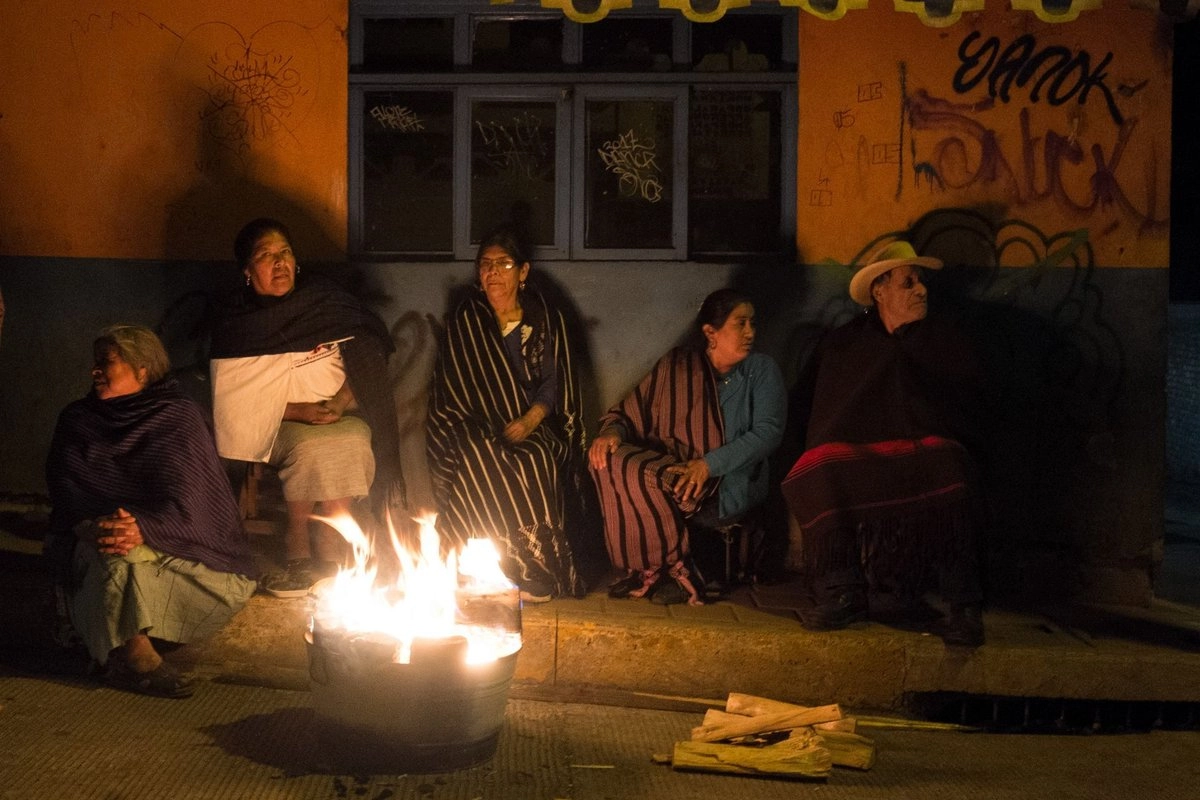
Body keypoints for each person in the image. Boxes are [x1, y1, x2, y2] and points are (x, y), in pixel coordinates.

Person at [781, 240, 987, 646]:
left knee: (949, 467)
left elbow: (968, 405)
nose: (921, 290)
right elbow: (822, 409)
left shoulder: (942, 340)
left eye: (921, 282)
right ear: (880, 290)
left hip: (924, 452)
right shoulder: (845, 343)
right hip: (864, 456)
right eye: (908, 282)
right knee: (818, 467)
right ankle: (841, 593)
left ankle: (964, 604)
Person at [44, 325, 256, 698]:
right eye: (95, 362)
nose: (95, 371)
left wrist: (142, 526)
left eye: (106, 362)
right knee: (114, 551)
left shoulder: (177, 417)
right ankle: (137, 654)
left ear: (142, 370)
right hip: (95, 533)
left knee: (125, 552)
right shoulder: (77, 419)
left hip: (167, 539)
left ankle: (121, 653)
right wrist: (88, 526)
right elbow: (66, 487)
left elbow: (194, 500)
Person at [209, 218, 404, 598]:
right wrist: (299, 412)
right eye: (266, 256)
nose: (279, 263)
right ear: (248, 271)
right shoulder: (238, 324)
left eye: (286, 253)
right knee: (311, 447)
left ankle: (328, 540)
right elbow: (232, 396)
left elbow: (368, 355)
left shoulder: (326, 303)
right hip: (277, 422)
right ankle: (298, 540)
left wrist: (341, 400)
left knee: (350, 441)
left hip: (340, 414)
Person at [589, 289, 786, 606]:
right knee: (608, 459)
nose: (751, 332)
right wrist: (611, 432)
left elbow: (768, 433)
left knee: (653, 478)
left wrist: (706, 465)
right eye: (741, 324)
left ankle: (680, 574)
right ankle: (652, 569)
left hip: (724, 483)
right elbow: (629, 412)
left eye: (752, 323)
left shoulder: (760, 371)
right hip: (672, 471)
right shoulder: (678, 367)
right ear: (711, 332)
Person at [426, 227, 587, 603]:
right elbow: (451, 388)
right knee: (481, 456)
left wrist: (530, 420)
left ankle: (534, 572)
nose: (493, 272)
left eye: (503, 264)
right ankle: (484, 568)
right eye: (485, 265)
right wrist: (484, 424)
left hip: (533, 422)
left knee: (536, 460)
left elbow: (552, 384)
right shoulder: (467, 319)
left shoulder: (544, 319)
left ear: (523, 271)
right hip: (471, 423)